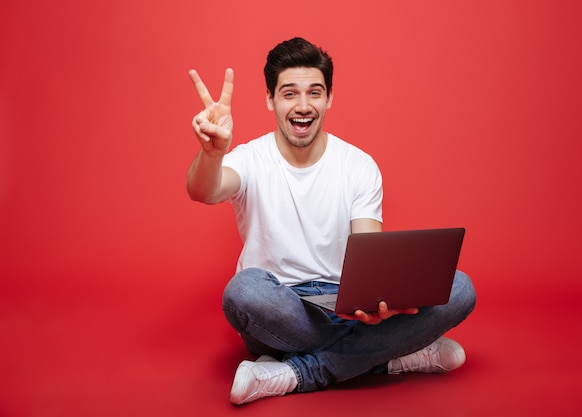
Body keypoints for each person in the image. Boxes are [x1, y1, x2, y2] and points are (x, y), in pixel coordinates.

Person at [186, 37, 476, 405]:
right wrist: (211, 153)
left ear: (329, 98)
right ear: (270, 100)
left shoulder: (358, 166)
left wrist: (375, 303)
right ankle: (391, 357)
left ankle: (294, 373)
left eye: (315, 93)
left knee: (460, 288)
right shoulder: (249, 158)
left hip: (344, 305)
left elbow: (371, 261)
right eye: (289, 94)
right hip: (281, 310)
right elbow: (204, 191)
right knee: (243, 291)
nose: (303, 106)